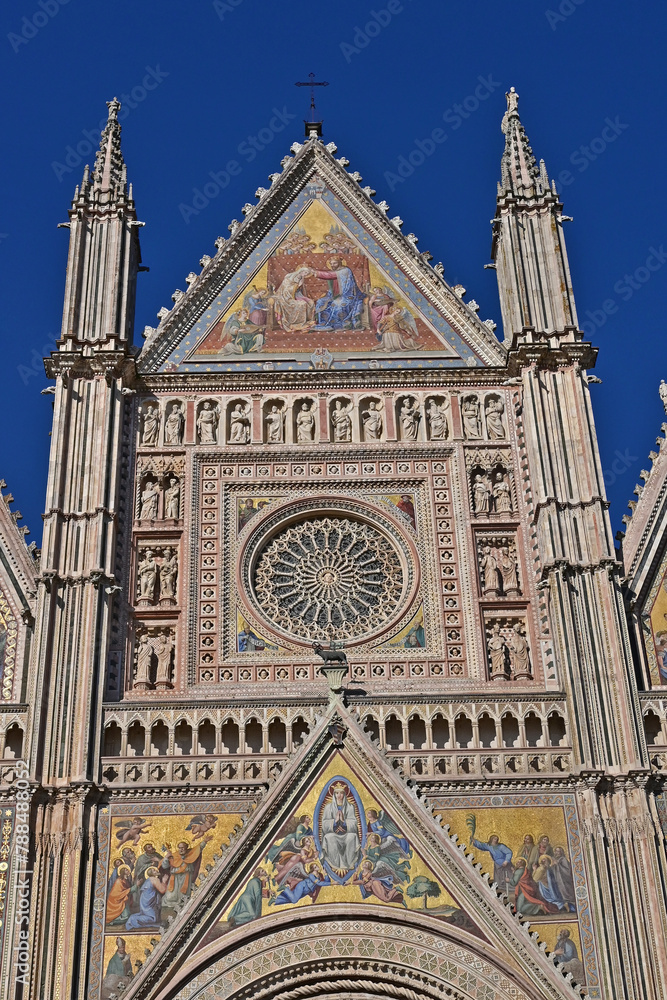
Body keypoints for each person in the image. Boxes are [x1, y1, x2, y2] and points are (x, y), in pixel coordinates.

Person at [312, 256, 365, 330]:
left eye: (335, 263)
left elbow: (330, 275)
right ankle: (322, 322)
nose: (332, 265)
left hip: (348, 295)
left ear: (339, 263)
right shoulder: (336, 271)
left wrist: (315, 272)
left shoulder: (345, 270)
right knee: (320, 302)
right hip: (334, 295)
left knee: (337, 304)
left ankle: (337, 324)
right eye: (331, 264)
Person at [321, 781, 360, 874]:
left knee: (352, 837)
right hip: (333, 833)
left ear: (344, 794)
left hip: (346, 833)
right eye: (337, 793)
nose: (339, 795)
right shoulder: (328, 807)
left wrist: (344, 822)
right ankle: (335, 863)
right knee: (329, 838)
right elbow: (324, 824)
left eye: (341, 793)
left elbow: (354, 823)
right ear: (334, 794)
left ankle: (348, 863)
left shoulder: (350, 807)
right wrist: (334, 822)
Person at [274, 267, 314, 332]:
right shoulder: (290, 276)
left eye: (307, 273)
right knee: (302, 304)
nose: (306, 274)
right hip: (286, 297)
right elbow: (286, 288)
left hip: (296, 295)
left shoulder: (301, 278)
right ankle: (296, 323)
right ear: (301, 271)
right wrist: (297, 285)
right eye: (305, 272)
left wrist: (299, 284)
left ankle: (308, 320)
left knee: (311, 302)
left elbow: (300, 289)